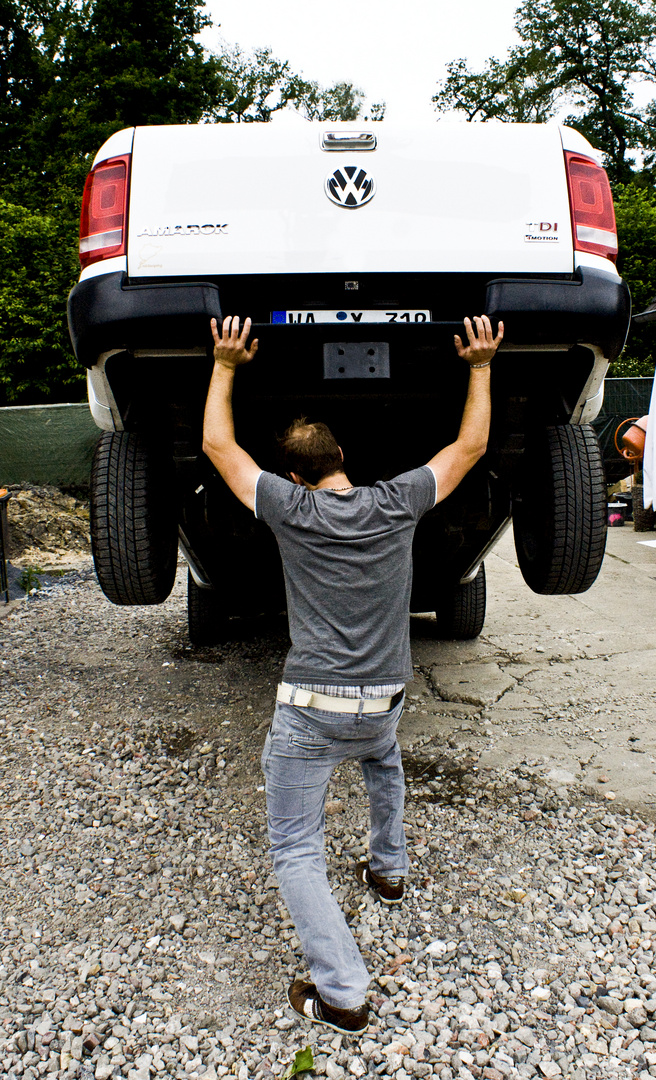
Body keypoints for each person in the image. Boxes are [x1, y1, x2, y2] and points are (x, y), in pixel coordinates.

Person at [202, 313, 504, 1035]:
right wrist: (482, 364)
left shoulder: (288, 508)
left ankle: (341, 991)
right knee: (382, 757)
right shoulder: (394, 501)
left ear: (294, 476)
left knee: (296, 848)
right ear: (341, 454)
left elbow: (217, 443)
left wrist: (225, 362)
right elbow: (472, 445)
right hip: (382, 700)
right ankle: (388, 870)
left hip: (311, 709)